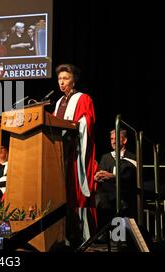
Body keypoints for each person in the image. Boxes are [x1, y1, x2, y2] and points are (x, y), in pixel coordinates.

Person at [53, 63, 97, 244]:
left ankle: (85, 236)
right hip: (60, 153)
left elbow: (88, 120)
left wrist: (74, 126)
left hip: (76, 153)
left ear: (74, 80)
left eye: (66, 78)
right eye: (59, 79)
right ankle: (64, 235)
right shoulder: (58, 102)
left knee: (76, 192)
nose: (62, 82)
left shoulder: (83, 98)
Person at [95, 129, 137, 229]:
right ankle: (107, 234)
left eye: (116, 139)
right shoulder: (105, 157)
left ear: (124, 140)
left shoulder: (132, 157)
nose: (113, 141)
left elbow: (129, 178)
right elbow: (102, 176)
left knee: (106, 198)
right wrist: (97, 176)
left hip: (125, 192)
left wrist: (112, 176)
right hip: (109, 196)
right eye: (111, 139)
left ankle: (115, 237)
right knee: (101, 192)